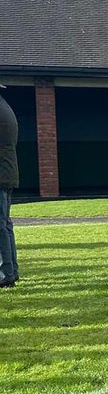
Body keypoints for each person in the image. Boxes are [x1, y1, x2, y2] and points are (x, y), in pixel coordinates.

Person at [0, 84, 19, 289]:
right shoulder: (4, 106)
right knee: (4, 224)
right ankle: (9, 271)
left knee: (1, 226)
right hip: (6, 173)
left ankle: (5, 273)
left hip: (2, 174)